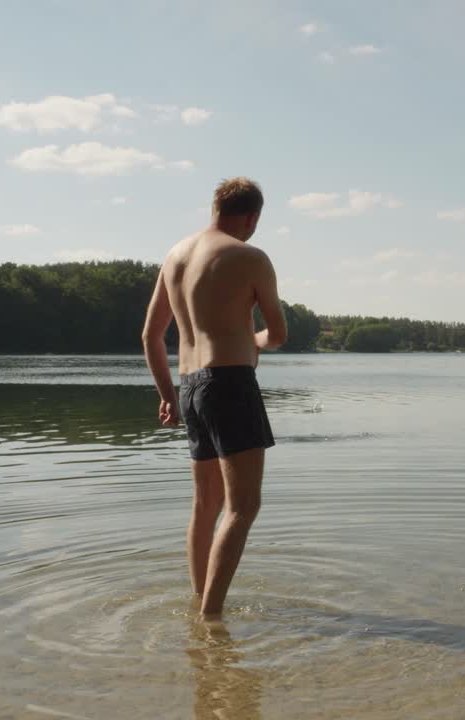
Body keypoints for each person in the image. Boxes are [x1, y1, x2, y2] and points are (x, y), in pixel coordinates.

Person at [141, 177, 287, 621]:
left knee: (205, 505)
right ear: (252, 216)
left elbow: (150, 336)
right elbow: (278, 334)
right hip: (230, 384)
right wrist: (254, 339)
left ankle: (200, 601)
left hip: (190, 386)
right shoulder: (249, 257)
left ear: (216, 207)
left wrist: (167, 394)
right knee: (243, 507)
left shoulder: (176, 255)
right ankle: (211, 618)